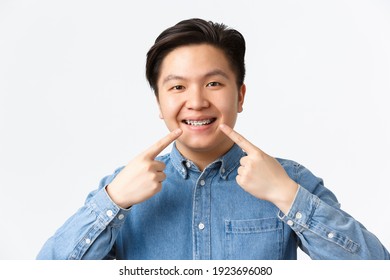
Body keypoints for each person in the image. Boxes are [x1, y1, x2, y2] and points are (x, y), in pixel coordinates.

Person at [37, 18, 389, 260]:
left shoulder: (289, 179)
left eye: (214, 83)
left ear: (240, 95)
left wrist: (286, 195)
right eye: (177, 87)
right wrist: (113, 201)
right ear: (159, 103)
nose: (197, 101)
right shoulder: (123, 185)